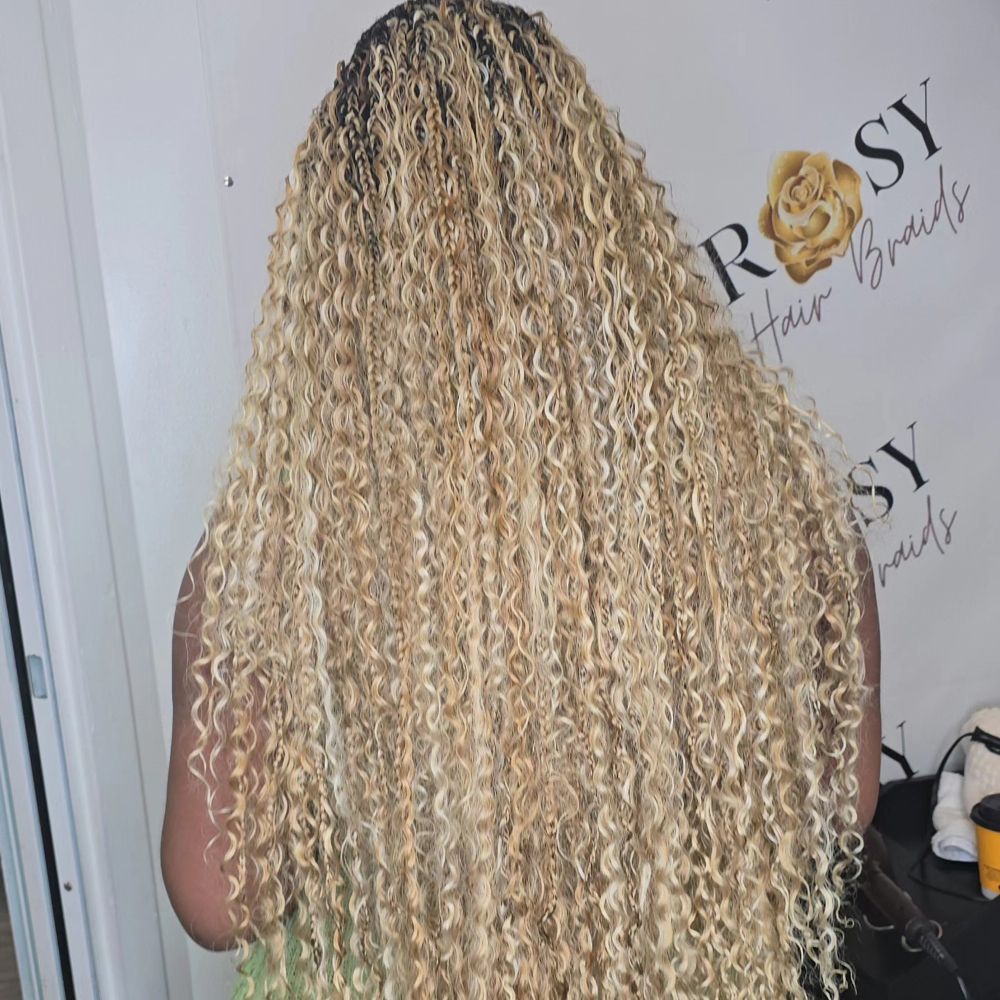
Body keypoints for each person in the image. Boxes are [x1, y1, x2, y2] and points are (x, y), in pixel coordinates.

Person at [160, 1, 882, 996]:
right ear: (593, 207)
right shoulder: (783, 498)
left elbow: (217, 899)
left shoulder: (274, 562)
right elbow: (836, 811)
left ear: (348, 254)